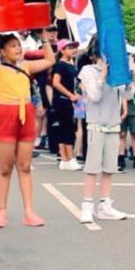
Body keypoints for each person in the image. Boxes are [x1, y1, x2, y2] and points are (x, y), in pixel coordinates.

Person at [0, 27, 55, 228]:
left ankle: (29, 212)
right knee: (5, 167)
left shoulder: (26, 65)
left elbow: (50, 60)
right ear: (2, 51)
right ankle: (2, 211)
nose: (18, 48)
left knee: (25, 166)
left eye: (18, 45)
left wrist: (44, 38)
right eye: (12, 46)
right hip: (6, 115)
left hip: (26, 114)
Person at [78, 37, 128, 223]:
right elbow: (95, 96)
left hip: (113, 124)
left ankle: (105, 205)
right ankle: (87, 205)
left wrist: (128, 78)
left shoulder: (117, 72)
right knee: (92, 167)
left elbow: (128, 94)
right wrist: (103, 75)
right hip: (96, 124)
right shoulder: (88, 71)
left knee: (109, 167)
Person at [51, 39, 82, 171]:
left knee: (67, 129)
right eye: (69, 48)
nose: (73, 50)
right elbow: (56, 83)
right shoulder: (60, 65)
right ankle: (69, 158)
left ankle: (65, 159)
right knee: (67, 129)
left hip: (70, 100)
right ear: (62, 50)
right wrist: (70, 95)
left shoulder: (72, 65)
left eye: (74, 47)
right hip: (62, 100)